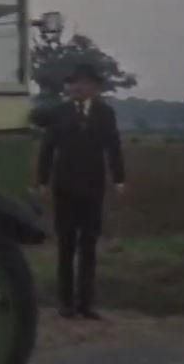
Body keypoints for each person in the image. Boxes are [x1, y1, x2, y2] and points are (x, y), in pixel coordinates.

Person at [36, 64, 125, 320]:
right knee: (66, 245)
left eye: (84, 83)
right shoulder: (59, 112)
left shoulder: (105, 114)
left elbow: (113, 146)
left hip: (93, 187)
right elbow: (47, 147)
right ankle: (65, 304)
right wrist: (42, 180)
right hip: (64, 186)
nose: (77, 87)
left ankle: (85, 304)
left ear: (94, 88)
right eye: (74, 83)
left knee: (89, 245)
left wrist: (119, 178)